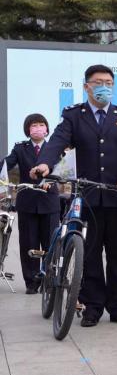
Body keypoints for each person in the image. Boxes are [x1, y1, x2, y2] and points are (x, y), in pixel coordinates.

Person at [33, 64, 117, 327]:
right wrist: (45, 164)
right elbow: (58, 141)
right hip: (87, 197)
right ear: (86, 87)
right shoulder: (74, 116)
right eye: (97, 82)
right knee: (90, 253)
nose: (103, 87)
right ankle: (92, 306)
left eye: (108, 82)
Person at [4, 114, 60, 294]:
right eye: (34, 125)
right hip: (27, 202)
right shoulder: (20, 148)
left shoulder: (54, 148)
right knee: (29, 243)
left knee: (50, 243)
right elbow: (6, 165)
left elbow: (62, 168)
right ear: (28, 129)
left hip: (49, 202)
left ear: (47, 129)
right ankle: (32, 281)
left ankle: (50, 279)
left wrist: (53, 180)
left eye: (41, 124)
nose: (37, 128)